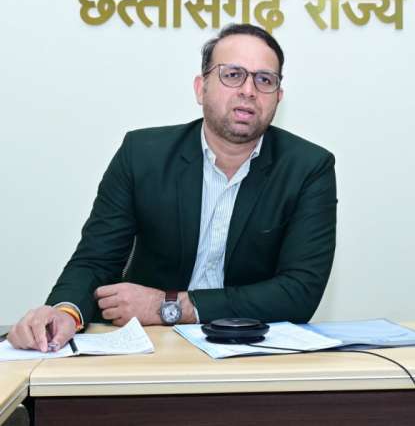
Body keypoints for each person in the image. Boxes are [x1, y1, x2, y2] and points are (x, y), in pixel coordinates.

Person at [9, 24, 337, 351]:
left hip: (252, 349)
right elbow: (95, 261)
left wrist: (171, 306)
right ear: (201, 88)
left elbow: (300, 291)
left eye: (264, 80)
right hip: (151, 347)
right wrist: (66, 311)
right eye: (233, 75)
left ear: (278, 97)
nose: (249, 90)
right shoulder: (142, 155)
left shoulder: (308, 168)